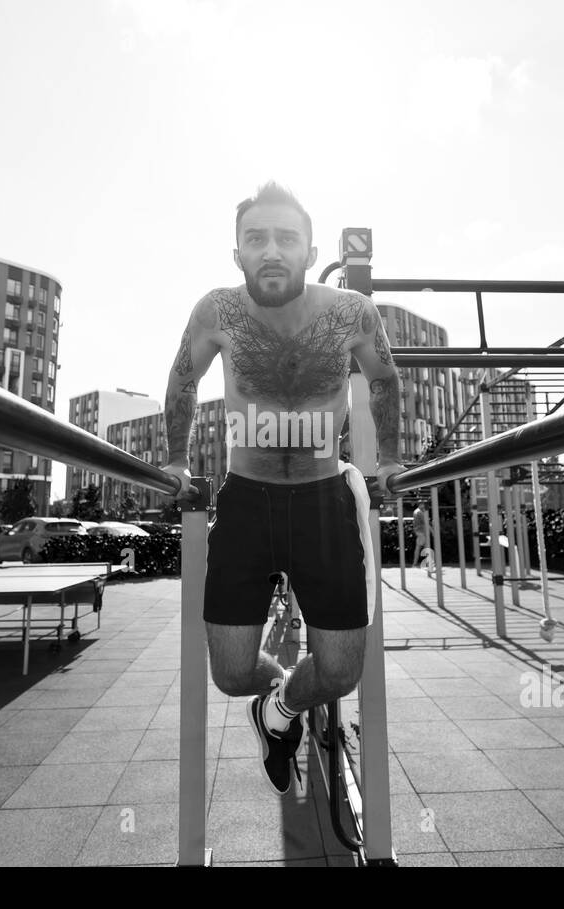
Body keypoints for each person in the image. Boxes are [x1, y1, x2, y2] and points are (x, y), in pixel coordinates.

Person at [161, 181, 404, 795]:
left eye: (286, 238)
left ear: (309, 248)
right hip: (246, 500)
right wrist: (173, 459)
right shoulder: (216, 310)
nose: (272, 250)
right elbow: (183, 380)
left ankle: (281, 714)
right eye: (256, 239)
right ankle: (276, 702)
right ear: (237, 252)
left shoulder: (351, 312)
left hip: (324, 502)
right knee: (231, 671)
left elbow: (385, 379)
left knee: (342, 672)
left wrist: (393, 458)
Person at [411, 499, 432, 568]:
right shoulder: (419, 512)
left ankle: (415, 563)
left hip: (419, 531)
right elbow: (426, 522)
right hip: (421, 531)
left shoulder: (417, 511)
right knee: (425, 546)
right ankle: (428, 563)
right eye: (423, 504)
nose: (424, 505)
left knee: (420, 547)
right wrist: (433, 531)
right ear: (420, 504)